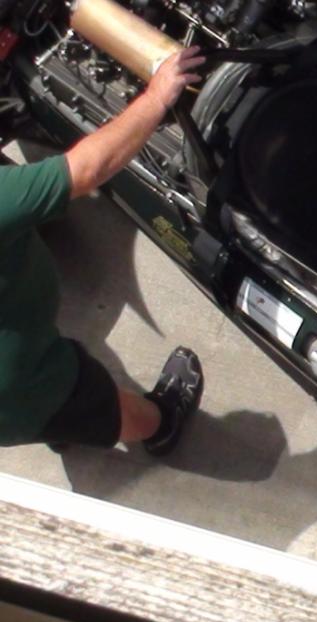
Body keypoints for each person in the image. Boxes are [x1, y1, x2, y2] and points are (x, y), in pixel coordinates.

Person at [0, 46, 206, 455]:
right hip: (16, 389)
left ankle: (60, 425)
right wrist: (156, 97)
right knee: (101, 405)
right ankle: (162, 424)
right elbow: (87, 169)